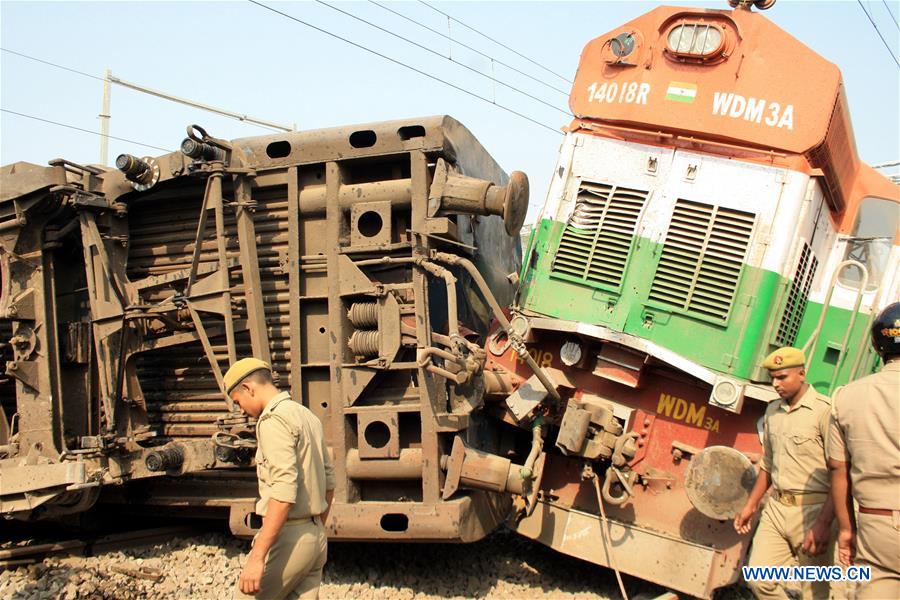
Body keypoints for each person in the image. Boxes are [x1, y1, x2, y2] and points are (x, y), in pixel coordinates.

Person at [225, 358, 335, 600]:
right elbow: (329, 482)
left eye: (238, 401)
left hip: (289, 536)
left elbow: (283, 493)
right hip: (315, 535)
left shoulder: (273, 421)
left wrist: (257, 557)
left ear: (248, 388)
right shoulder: (306, 416)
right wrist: (315, 528)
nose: (241, 410)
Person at [734, 347, 837, 600]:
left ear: (802, 374)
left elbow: (840, 472)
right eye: (773, 378)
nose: (776, 384)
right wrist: (751, 505)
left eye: (782, 377)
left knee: (816, 593)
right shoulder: (773, 411)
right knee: (759, 580)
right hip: (777, 510)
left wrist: (824, 523)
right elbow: (768, 464)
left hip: (812, 511)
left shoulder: (825, 412)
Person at [828, 302, 900, 599]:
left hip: (876, 528)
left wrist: (846, 530)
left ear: (876, 344)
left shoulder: (846, 397)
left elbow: (838, 469)